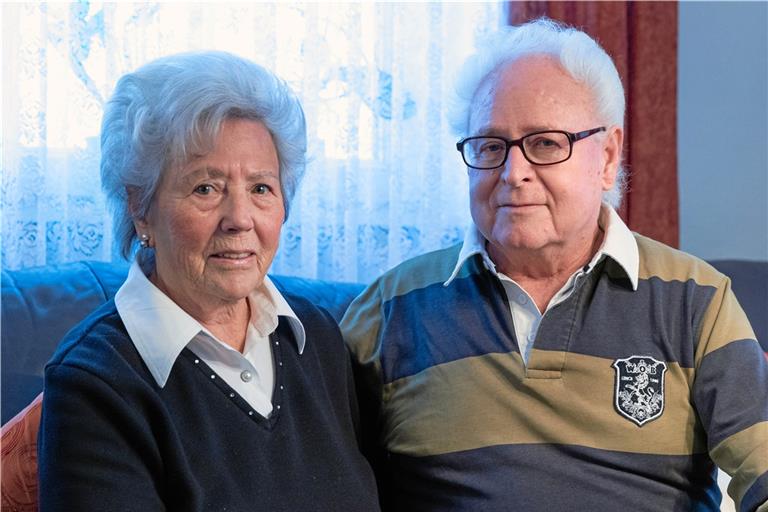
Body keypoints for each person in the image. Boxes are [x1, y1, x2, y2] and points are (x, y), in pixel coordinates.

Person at [341, 18, 768, 512]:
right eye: (491, 146)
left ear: (607, 157)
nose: (513, 173)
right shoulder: (389, 309)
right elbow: (315, 471)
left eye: (545, 143)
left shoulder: (697, 300)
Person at [37, 51, 379, 511]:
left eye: (261, 188)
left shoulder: (318, 338)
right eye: (206, 188)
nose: (240, 218)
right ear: (140, 208)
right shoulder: (94, 382)